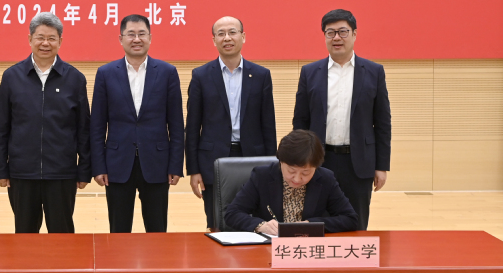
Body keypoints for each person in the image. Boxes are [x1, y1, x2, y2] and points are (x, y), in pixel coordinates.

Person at [292, 9, 391, 230]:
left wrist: (381, 166)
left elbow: (382, 123)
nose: (337, 37)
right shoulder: (310, 72)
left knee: (356, 223)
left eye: (343, 32)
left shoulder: (374, 71)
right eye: (330, 32)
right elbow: (300, 121)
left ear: (354, 34)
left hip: (358, 163)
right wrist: (300, 161)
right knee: (315, 223)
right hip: (319, 161)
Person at [0, 12, 91, 233]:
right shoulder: (12, 76)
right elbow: (2, 127)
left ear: (60, 41)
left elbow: (83, 129)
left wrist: (84, 170)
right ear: (30, 39)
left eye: (51, 38)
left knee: (62, 234)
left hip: (62, 173)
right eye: (40, 37)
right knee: (25, 234)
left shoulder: (75, 78)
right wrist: (0, 168)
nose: (45, 43)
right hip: (22, 173)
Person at [91, 14, 184, 233]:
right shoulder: (105, 73)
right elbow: (97, 126)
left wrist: (175, 165)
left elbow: (176, 125)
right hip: (117, 164)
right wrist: (99, 166)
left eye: (142, 34)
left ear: (150, 38)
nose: (136, 39)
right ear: (120, 39)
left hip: (157, 163)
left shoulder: (167, 72)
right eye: (130, 34)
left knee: (157, 230)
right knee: (119, 231)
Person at [185, 16, 277, 230]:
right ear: (214, 40)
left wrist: (272, 165)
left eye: (232, 32)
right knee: (216, 221)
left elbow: (268, 125)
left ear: (243, 37)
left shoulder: (261, 75)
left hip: (253, 158)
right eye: (221, 33)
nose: (227, 38)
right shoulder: (201, 75)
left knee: (255, 219)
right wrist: (194, 170)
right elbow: (192, 127)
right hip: (213, 160)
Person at [224, 129, 359, 233]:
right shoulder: (262, 176)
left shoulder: (325, 178)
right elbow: (232, 213)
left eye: (305, 173)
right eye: (291, 171)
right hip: (269, 249)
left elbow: (350, 218)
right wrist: (261, 226)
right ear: (281, 161)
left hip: (307, 249)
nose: (297, 179)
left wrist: (311, 225)